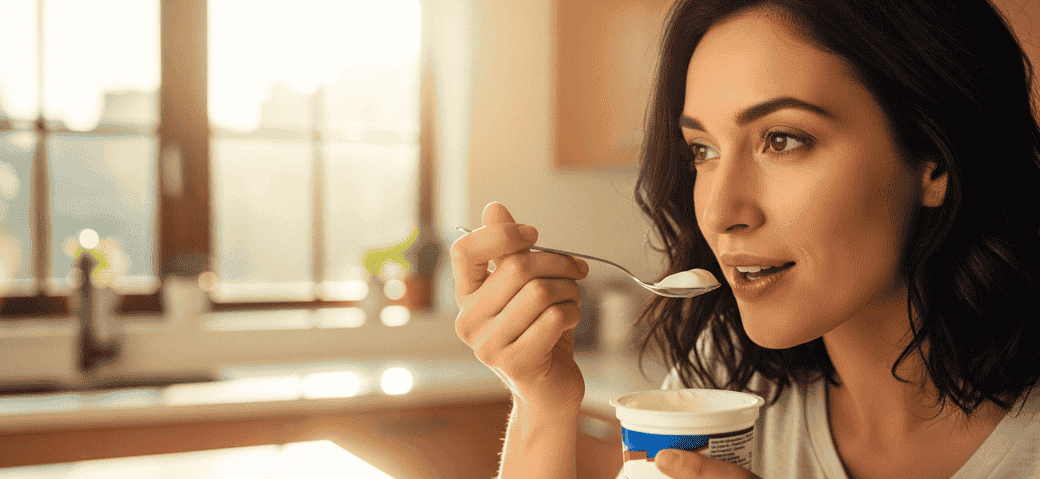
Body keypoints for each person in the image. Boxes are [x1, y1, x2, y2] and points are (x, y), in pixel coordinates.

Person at [450, 0, 1040, 477]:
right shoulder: (726, 383)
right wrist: (542, 404)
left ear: (934, 161)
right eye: (702, 150)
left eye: (782, 140)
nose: (719, 212)